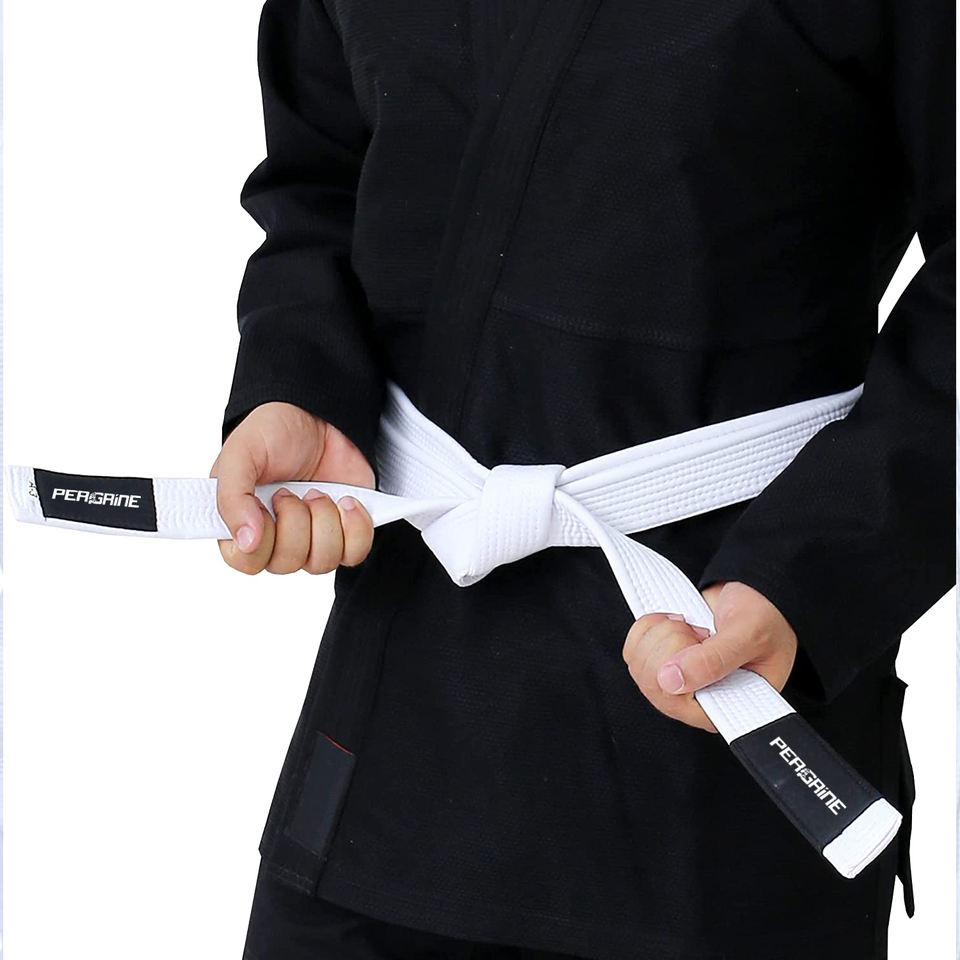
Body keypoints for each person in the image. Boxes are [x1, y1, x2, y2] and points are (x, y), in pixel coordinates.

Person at [210, 2, 955, 958]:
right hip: (386, 742)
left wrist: (813, 573)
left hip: (713, 716)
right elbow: (321, 169)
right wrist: (303, 378)